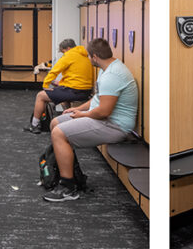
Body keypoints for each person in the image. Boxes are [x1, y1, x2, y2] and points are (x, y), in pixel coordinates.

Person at [43, 38, 138, 202]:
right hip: (105, 119)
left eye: (88, 56)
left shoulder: (112, 75)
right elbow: (97, 100)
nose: (87, 59)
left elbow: (103, 112)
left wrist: (82, 115)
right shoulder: (106, 68)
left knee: (59, 133)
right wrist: (78, 109)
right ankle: (74, 175)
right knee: (56, 123)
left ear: (94, 56)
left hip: (116, 126)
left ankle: (68, 188)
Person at [24, 39, 94, 134]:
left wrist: (45, 85)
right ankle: (68, 121)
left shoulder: (69, 55)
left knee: (41, 96)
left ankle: (34, 125)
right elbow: (77, 77)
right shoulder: (84, 55)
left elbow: (54, 71)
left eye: (63, 52)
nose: (63, 54)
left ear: (68, 48)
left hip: (73, 91)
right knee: (61, 93)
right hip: (86, 91)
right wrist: (60, 83)